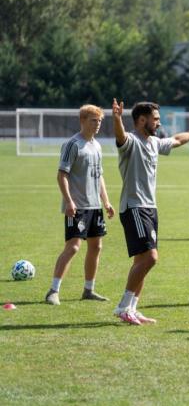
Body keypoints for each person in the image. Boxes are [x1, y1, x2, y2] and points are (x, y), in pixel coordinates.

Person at [111, 99, 189, 325]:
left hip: (150, 208)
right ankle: (122, 306)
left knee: (142, 261)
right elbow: (120, 137)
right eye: (155, 119)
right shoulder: (131, 141)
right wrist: (117, 118)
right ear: (141, 120)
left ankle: (133, 309)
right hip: (134, 207)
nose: (158, 122)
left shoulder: (154, 143)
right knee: (151, 258)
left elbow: (177, 140)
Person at [45, 104, 115, 305]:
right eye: (94, 120)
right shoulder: (72, 144)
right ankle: (53, 291)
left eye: (100, 120)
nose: (98, 124)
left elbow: (99, 175)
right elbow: (62, 175)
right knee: (73, 247)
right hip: (77, 206)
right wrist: (68, 201)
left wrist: (106, 201)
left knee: (96, 246)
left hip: (95, 206)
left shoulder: (98, 145)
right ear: (82, 121)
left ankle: (88, 290)